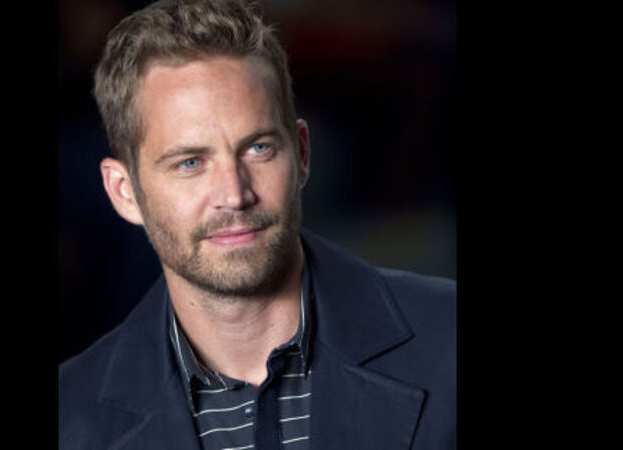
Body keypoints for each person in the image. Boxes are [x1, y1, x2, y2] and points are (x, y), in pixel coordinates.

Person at [59, 1, 455, 449]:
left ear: (301, 154)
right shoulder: (71, 419)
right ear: (124, 191)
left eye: (258, 149)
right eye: (190, 162)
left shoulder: (448, 338)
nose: (234, 194)